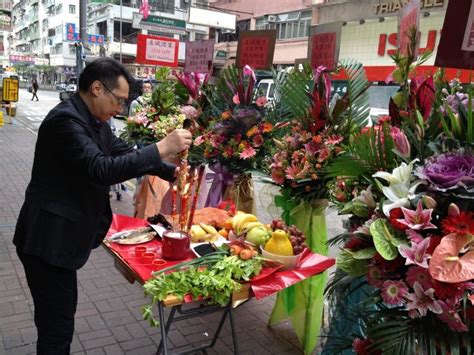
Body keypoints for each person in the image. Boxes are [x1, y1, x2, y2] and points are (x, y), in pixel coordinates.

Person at [13, 58, 192, 354]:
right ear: (97, 88)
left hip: (61, 239)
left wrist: (172, 171)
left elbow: (122, 152)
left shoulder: (95, 122)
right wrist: (162, 146)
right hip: (47, 240)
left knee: (58, 318)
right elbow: (102, 169)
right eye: (119, 100)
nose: (120, 109)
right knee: (56, 327)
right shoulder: (65, 122)